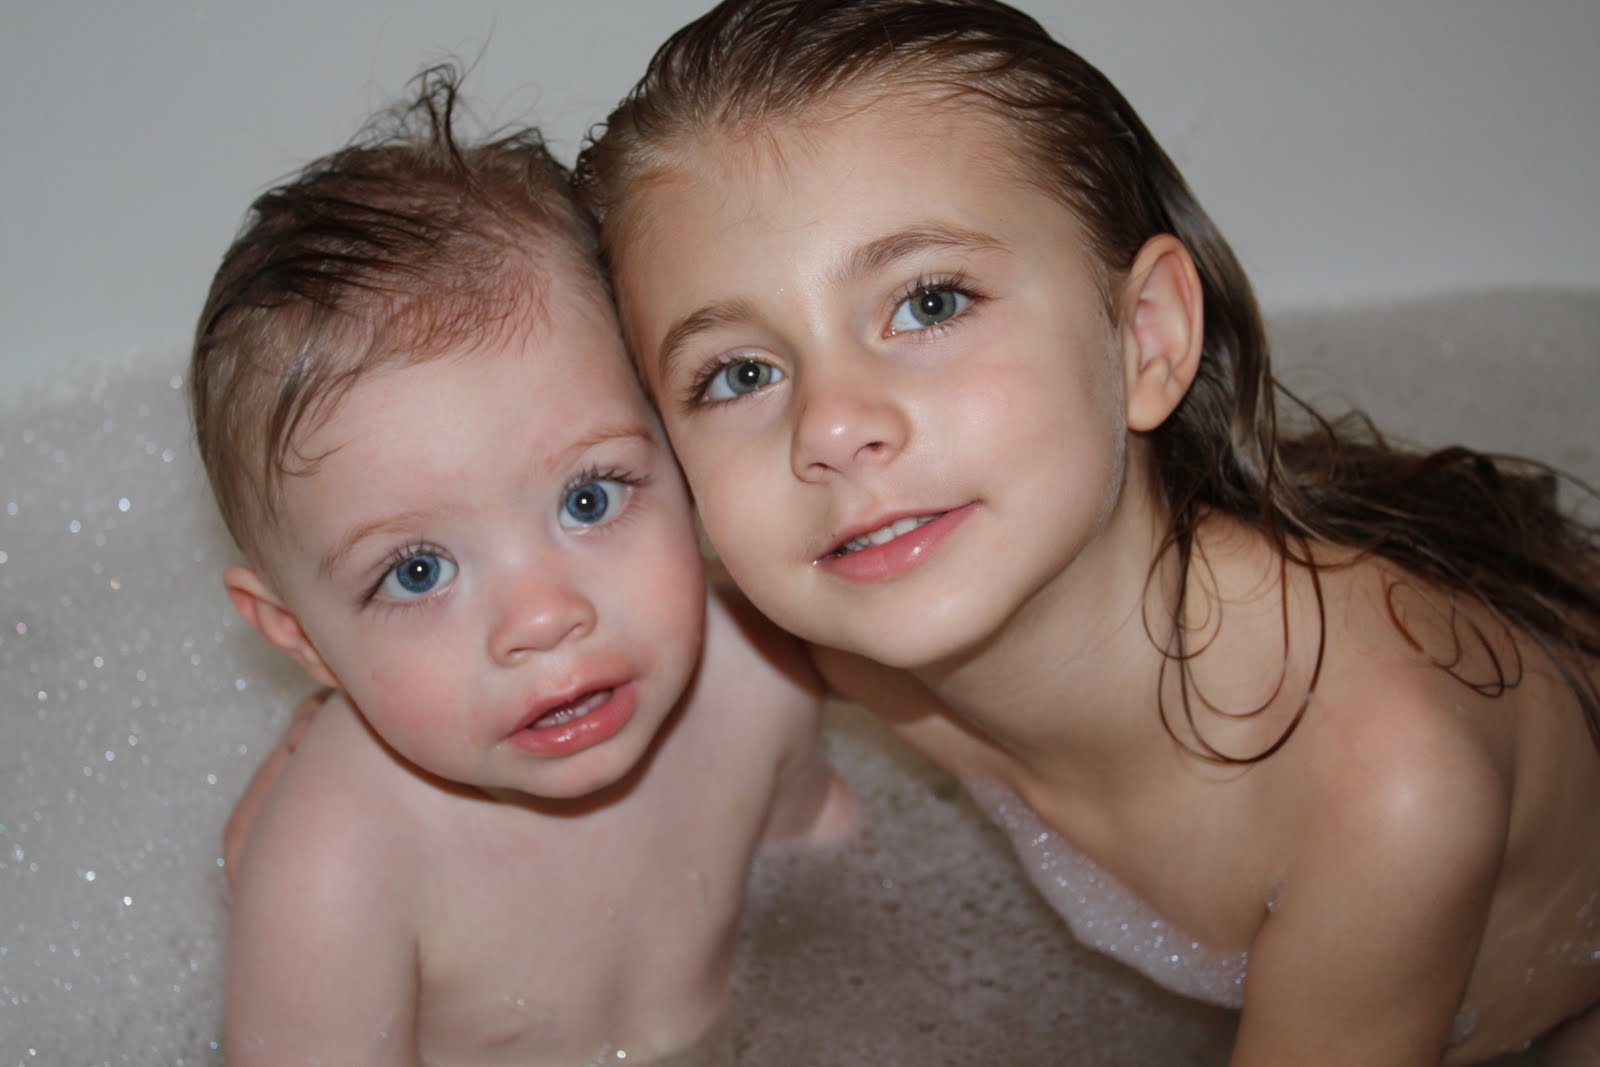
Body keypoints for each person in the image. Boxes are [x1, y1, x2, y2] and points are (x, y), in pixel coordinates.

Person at [570, 1, 1600, 1063]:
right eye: (739, 373)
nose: (831, 425)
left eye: (928, 302)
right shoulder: (840, 621)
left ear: (1145, 338)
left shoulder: (1377, 782)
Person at [192, 68, 852, 1067]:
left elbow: (831, 862)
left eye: (589, 498)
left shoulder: (761, 670)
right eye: (416, 572)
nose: (541, 617)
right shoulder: (340, 863)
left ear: (681, 453)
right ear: (297, 635)